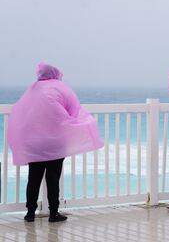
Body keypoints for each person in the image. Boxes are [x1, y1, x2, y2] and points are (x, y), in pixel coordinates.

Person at [7, 63, 104, 222]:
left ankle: (30, 213)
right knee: (53, 178)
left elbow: (21, 111)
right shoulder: (61, 87)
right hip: (56, 143)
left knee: (34, 178)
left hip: (35, 143)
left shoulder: (32, 90)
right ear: (56, 74)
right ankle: (53, 213)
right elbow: (74, 109)